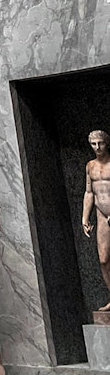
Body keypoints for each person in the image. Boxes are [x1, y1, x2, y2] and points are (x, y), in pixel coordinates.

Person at [83, 130, 110, 310]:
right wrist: (85, 217)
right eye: (93, 144)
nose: (97, 147)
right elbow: (89, 192)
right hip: (101, 216)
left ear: (107, 143)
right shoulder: (90, 166)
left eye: (100, 143)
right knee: (103, 259)